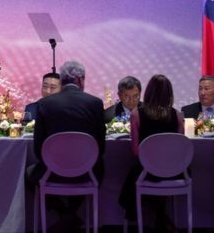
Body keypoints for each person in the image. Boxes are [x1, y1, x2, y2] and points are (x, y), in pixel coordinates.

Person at [30, 60, 105, 231]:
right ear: (81, 80)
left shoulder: (45, 104)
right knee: (100, 167)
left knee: (29, 174)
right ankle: (70, 216)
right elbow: (101, 148)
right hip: (87, 172)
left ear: (62, 81)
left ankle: (65, 216)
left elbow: (37, 149)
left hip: (53, 172)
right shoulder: (95, 103)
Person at [118, 74, 185, 230]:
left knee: (134, 175)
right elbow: (180, 149)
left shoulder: (136, 115)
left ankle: (154, 218)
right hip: (174, 171)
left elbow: (135, 151)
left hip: (147, 171)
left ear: (147, 92)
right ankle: (161, 218)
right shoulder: (178, 115)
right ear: (170, 93)